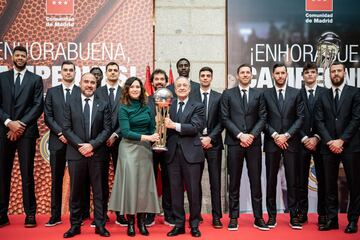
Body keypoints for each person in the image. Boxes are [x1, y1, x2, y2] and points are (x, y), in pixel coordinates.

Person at [108, 77, 160, 237]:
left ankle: (142, 222)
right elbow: (125, 132)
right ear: (128, 90)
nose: (136, 89)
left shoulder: (147, 107)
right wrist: (148, 138)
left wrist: (158, 133)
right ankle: (130, 223)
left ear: (142, 89)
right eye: (132, 87)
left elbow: (152, 128)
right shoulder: (124, 108)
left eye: (138, 87)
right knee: (130, 186)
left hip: (145, 150)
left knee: (143, 187)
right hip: (129, 149)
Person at [62, 73, 112, 238]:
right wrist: (81, 146)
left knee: (99, 192)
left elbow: (107, 129)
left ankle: (100, 225)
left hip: (97, 154)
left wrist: (92, 145)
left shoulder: (103, 104)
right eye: (86, 82)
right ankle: (75, 226)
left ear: (96, 85)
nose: (89, 85)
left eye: (92, 82)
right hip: (76, 154)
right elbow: (66, 128)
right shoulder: (70, 103)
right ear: (80, 83)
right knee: (76, 193)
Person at [0, 45, 44, 228]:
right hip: (4, 131)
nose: (20, 58)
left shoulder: (35, 79)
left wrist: (20, 125)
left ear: (27, 58)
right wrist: (9, 122)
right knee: (3, 174)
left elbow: (37, 106)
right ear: (12, 58)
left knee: (27, 174)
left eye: (22, 55)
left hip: (26, 132)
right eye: (17, 55)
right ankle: (2, 214)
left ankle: (30, 214)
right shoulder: (2, 78)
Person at [221, 64, 268, 231]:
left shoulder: (259, 94)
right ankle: (233, 217)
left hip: (253, 144)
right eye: (242, 72)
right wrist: (241, 135)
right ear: (238, 75)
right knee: (234, 181)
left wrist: (251, 136)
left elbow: (263, 117)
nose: (245, 75)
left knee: (256, 180)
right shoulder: (228, 94)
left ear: (251, 75)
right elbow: (224, 118)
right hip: (235, 143)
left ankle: (258, 217)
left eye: (248, 72)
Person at [315, 62, 360, 233]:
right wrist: (330, 141)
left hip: (350, 146)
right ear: (329, 74)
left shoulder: (355, 93)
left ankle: (353, 220)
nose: (336, 74)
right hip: (328, 147)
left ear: (345, 72)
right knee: (329, 185)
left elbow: (356, 119)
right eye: (333, 71)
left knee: (354, 185)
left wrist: (341, 141)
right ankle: (332, 219)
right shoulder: (323, 95)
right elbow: (318, 121)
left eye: (339, 71)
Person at [263, 63, 304, 229]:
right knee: (271, 180)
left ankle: (294, 216)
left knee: (293, 180)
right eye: (277, 73)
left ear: (286, 74)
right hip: (272, 142)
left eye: (282, 73)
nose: (280, 76)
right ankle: (271, 216)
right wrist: (274, 135)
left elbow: (300, 118)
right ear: (273, 75)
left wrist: (286, 135)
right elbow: (262, 118)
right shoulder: (265, 94)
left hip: (291, 142)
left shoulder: (296, 93)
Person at [165, 77, 205, 237]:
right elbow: (162, 126)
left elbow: (195, 127)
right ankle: (179, 224)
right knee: (175, 191)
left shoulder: (198, 105)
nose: (181, 87)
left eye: (184, 85)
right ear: (175, 88)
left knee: (194, 191)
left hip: (192, 154)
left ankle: (194, 224)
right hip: (172, 153)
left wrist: (174, 125)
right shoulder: (168, 104)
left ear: (190, 88)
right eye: (179, 85)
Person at [44, 60, 80, 227]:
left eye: (70, 70)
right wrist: (61, 133)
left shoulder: (81, 92)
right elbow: (48, 117)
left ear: (74, 73)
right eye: (65, 70)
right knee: (56, 179)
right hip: (57, 141)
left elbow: (82, 118)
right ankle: (55, 215)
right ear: (61, 73)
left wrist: (70, 136)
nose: (68, 73)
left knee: (77, 180)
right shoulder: (52, 92)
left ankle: (78, 215)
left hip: (75, 143)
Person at [95, 62, 127, 227]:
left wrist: (115, 134)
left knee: (120, 179)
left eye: (116, 70)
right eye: (110, 70)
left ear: (119, 73)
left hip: (120, 141)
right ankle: (101, 215)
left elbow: (128, 117)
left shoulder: (125, 92)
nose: (113, 73)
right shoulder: (97, 91)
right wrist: (103, 136)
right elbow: (93, 116)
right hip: (100, 142)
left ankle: (121, 214)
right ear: (106, 73)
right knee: (100, 179)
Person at [192, 67, 224, 229]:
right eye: (202, 75)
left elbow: (222, 121)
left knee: (215, 182)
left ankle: (217, 216)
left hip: (213, 144)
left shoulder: (219, 97)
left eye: (208, 76)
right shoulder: (192, 95)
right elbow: (189, 119)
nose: (205, 78)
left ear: (211, 78)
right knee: (194, 181)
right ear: (199, 77)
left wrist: (210, 138)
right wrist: (199, 139)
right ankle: (196, 215)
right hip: (195, 144)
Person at [297, 62, 327, 226]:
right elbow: (295, 118)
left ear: (317, 75)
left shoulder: (325, 93)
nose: (310, 75)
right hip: (301, 142)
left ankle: (322, 214)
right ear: (303, 75)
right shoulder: (297, 94)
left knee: (322, 180)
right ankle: (302, 213)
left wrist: (316, 137)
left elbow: (328, 118)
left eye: (312, 72)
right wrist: (304, 138)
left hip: (320, 142)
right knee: (300, 180)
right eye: (307, 72)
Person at [146, 69, 174, 227]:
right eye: (156, 79)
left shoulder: (173, 99)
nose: (159, 81)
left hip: (169, 146)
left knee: (169, 180)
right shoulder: (146, 101)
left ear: (166, 81)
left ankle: (169, 214)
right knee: (150, 181)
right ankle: (149, 214)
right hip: (150, 146)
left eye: (162, 79)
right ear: (152, 82)